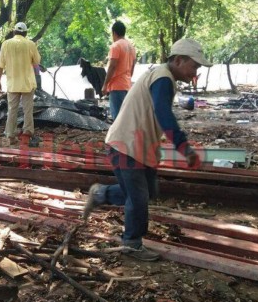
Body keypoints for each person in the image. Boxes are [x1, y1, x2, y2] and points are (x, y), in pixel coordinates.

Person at [84, 39, 209, 261]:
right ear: (178, 60)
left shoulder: (163, 76)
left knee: (148, 191)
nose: (195, 71)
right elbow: (164, 114)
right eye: (194, 66)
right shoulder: (162, 79)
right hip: (127, 144)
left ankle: (100, 194)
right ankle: (131, 243)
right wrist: (184, 147)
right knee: (139, 196)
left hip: (139, 145)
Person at [0, 22, 41, 145]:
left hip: (12, 83)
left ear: (14, 32)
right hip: (27, 83)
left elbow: (0, 64)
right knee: (28, 110)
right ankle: (27, 133)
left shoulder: (5, 44)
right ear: (25, 33)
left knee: (12, 110)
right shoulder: (30, 44)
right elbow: (37, 61)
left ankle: (10, 135)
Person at [102, 21, 136, 120]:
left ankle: (119, 136)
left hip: (116, 86)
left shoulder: (116, 46)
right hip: (127, 85)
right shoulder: (131, 47)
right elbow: (132, 67)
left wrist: (105, 85)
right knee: (126, 117)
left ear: (114, 33)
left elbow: (112, 66)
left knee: (117, 118)